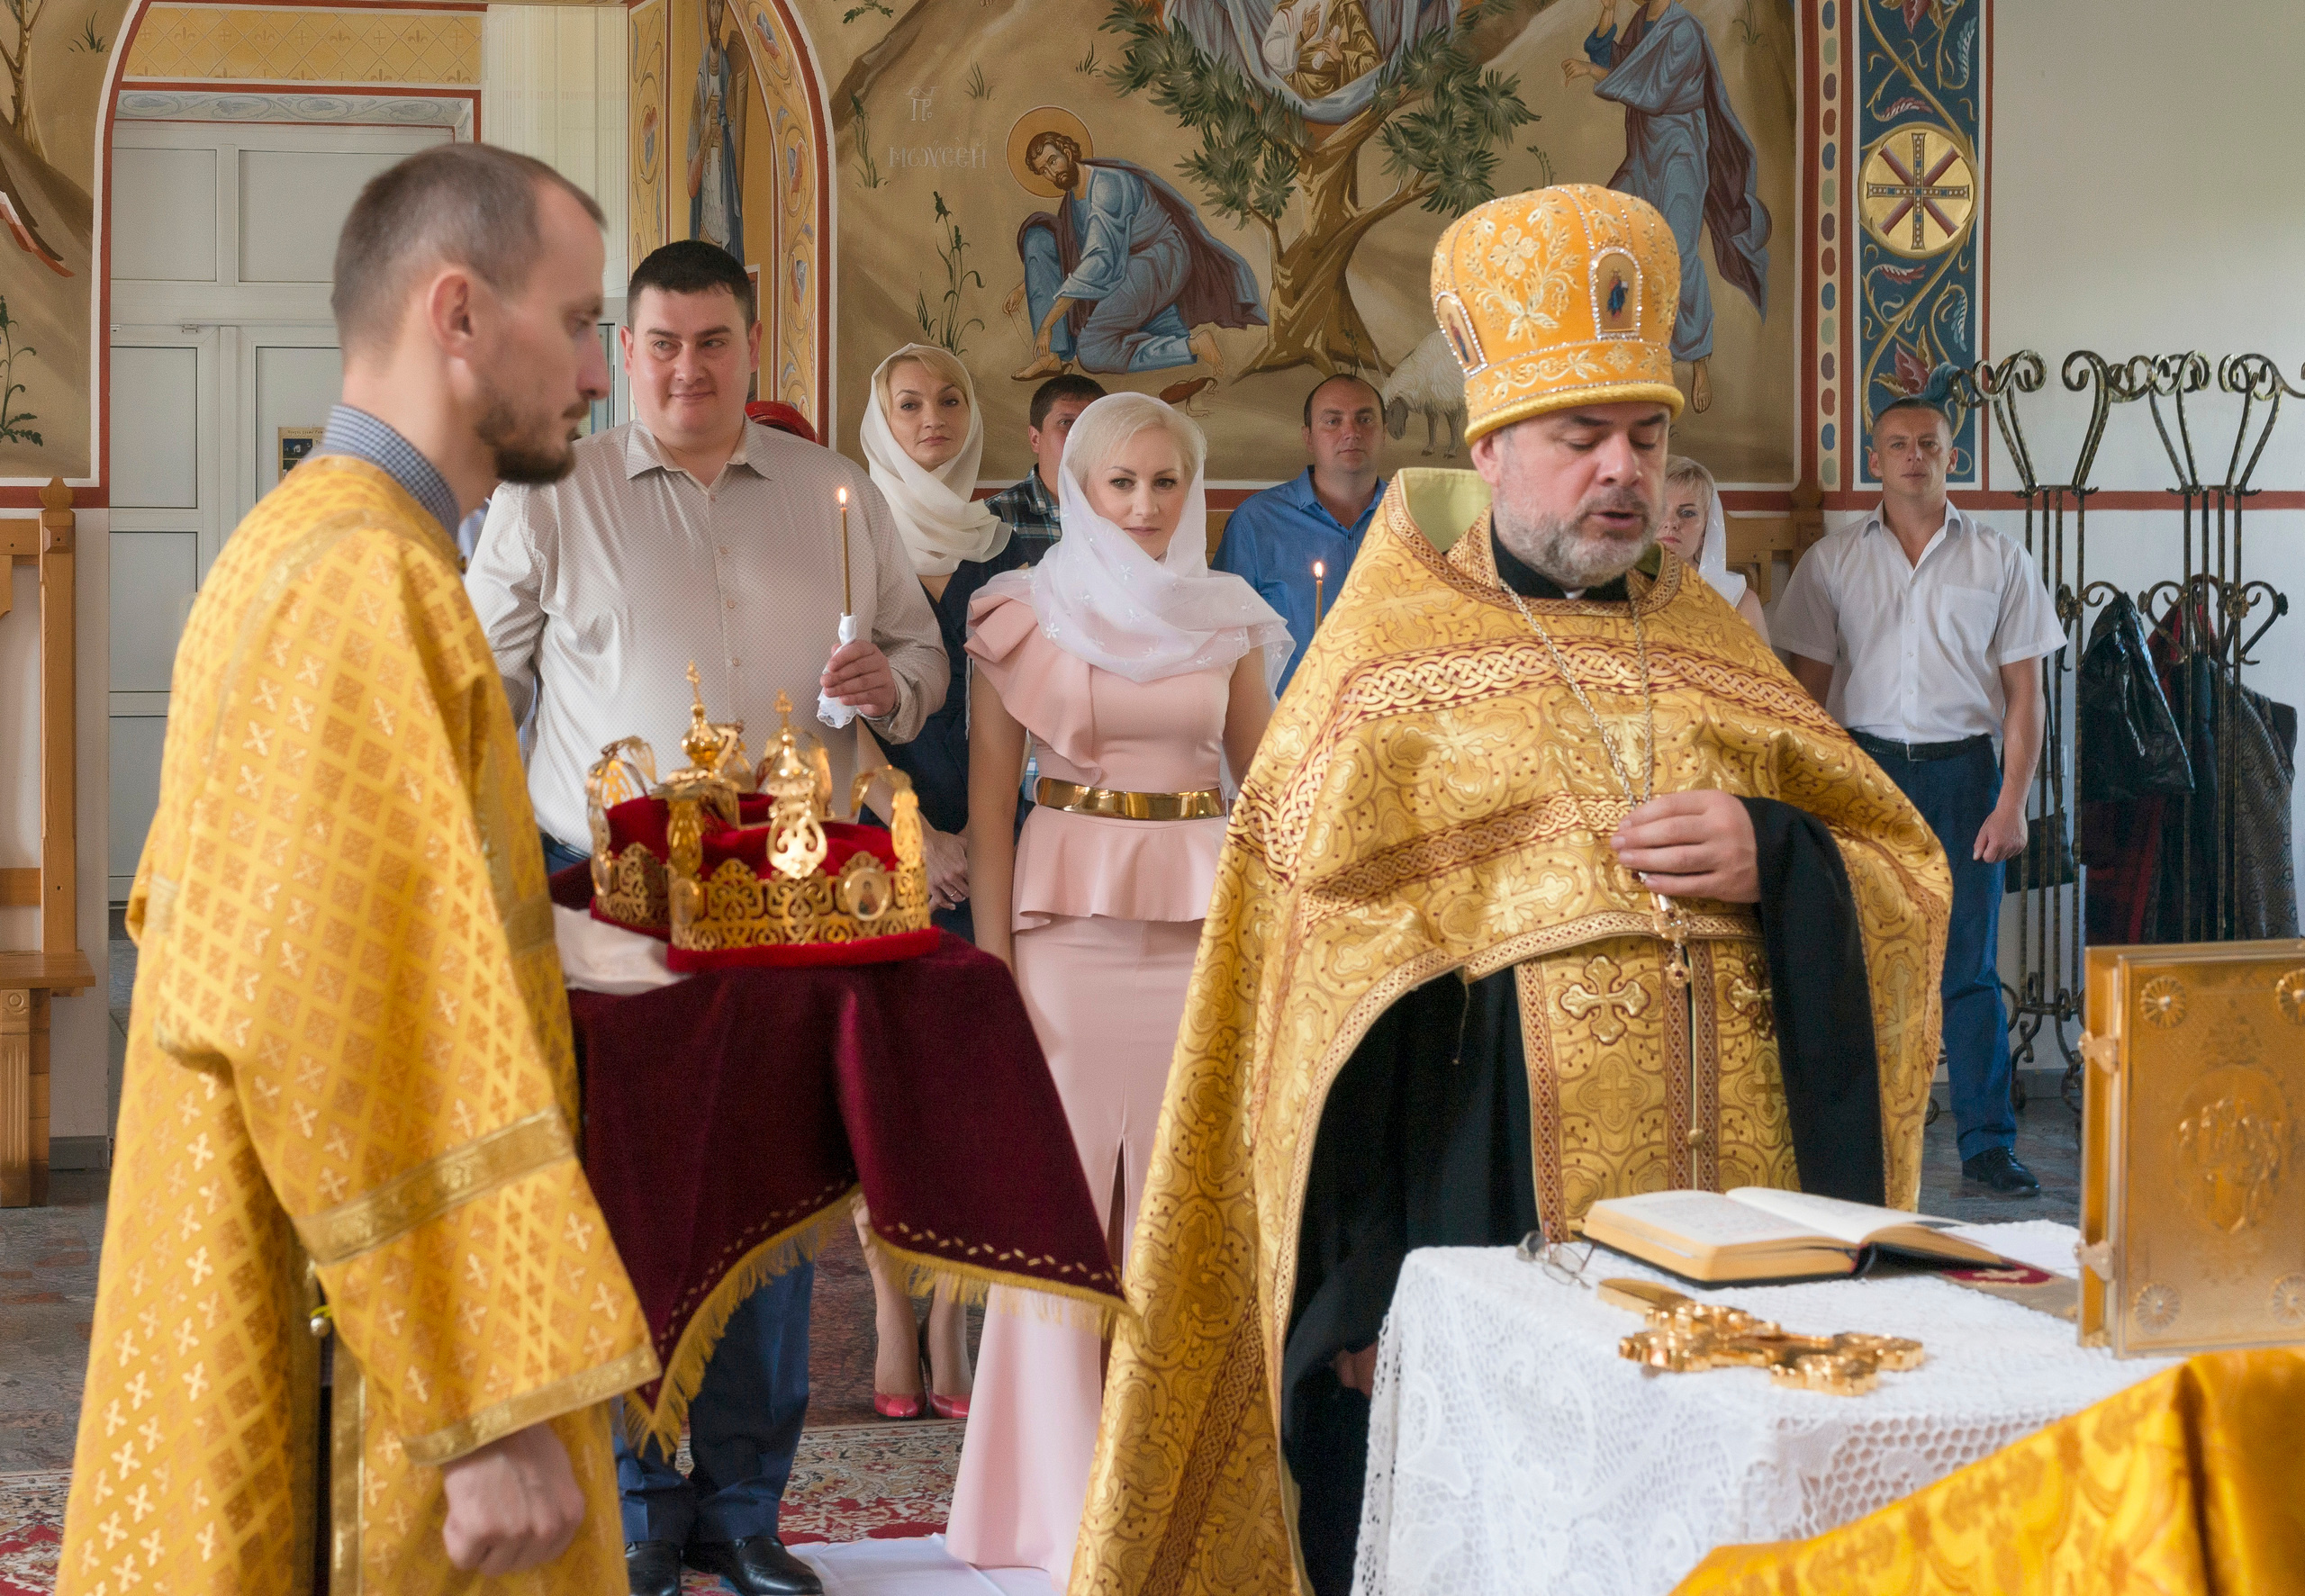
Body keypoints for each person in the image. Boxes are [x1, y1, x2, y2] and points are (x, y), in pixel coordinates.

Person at [1070, 184, 1950, 1596]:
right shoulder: (1377, 675)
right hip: (1478, 1250)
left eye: (1647, 438)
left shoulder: (1715, 638)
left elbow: (1901, 862)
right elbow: (1305, 1025)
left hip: (1740, 1256)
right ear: (1491, 446)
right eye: (1581, 436)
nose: (1623, 471)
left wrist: (1776, 854)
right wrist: (1354, 1307)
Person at [59, 143, 657, 1594]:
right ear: (459, 315)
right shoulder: (361, 581)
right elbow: (346, 1013)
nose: (600, 373)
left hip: (310, 1281)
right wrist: (486, 1399)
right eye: (580, 322)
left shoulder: (339, 550)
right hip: (344, 1346)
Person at [468, 239, 945, 1596]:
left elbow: (922, 658)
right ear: (626, 353)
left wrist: (890, 683)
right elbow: (471, 685)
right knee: (628, 1205)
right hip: (613, 908)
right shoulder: (549, 494)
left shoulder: (830, 492)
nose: (689, 367)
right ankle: (635, 1499)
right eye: (663, 343)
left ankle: (744, 1507)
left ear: (752, 349)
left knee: (777, 1208)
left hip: (789, 904)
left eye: (715, 342)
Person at [945, 392, 1290, 1577]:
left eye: (1165, 484)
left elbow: (1272, 800)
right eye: (1120, 485)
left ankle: (1179, 1488)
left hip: (1198, 936)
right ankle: (1056, 1504)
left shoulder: (1233, 619)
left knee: (1184, 1205)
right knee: (1066, 1215)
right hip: (1065, 945)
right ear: (1078, 492)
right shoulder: (1016, 613)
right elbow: (991, 812)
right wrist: (990, 969)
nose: (1145, 508)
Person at [1773, 390, 2065, 1199]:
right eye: (1896, 442)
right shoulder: (1833, 562)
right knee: (1858, 962)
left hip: (1967, 775)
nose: (1912, 455)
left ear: (1949, 453)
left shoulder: (2000, 559)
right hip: (1867, 775)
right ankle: (1854, 1146)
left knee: (1965, 966)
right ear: (1875, 458)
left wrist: (2012, 803)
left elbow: (2025, 698)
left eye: (1927, 442)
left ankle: (1986, 1146)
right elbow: (1806, 698)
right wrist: (1816, 801)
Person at [848, 341, 1021, 1424]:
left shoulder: (1018, 544)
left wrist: (975, 839)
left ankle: (953, 1317)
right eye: (908, 402)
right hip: (875, 842)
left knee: (967, 1092)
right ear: (880, 418)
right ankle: (884, 1312)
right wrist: (913, 826)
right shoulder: (845, 534)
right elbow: (818, 703)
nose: (931, 418)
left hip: (999, 837)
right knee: (877, 1094)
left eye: (950, 398)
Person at [1005, 128, 1265, 381]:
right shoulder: (1075, 197)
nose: (1052, 173)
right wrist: (1023, 286)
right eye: (1044, 171)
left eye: (1053, 161)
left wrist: (1048, 324)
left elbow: (1097, 263)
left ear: (1067, 152)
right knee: (1038, 235)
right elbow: (1072, 254)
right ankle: (1053, 356)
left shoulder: (1106, 187)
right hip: (1126, 264)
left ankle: (1191, 346)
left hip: (1161, 258)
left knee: (1093, 350)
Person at [1215, 372, 1388, 692]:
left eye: (1364, 419)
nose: (1351, 432)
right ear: (1308, 438)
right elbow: (1227, 642)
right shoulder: (1256, 522)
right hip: (1287, 723)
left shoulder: (1413, 517)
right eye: (1333, 421)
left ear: (1384, 432)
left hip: (1396, 718)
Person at [983, 372, 1107, 559]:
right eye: (1066, 423)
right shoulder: (995, 519)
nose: (1081, 435)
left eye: (1092, 423)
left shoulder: (1125, 510)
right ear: (1035, 439)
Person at [1659, 453, 1769, 640]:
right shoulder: (1612, 594)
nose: (1671, 523)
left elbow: (1761, 670)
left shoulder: (1737, 599)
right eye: (1659, 509)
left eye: (1687, 513)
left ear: (1706, 529)